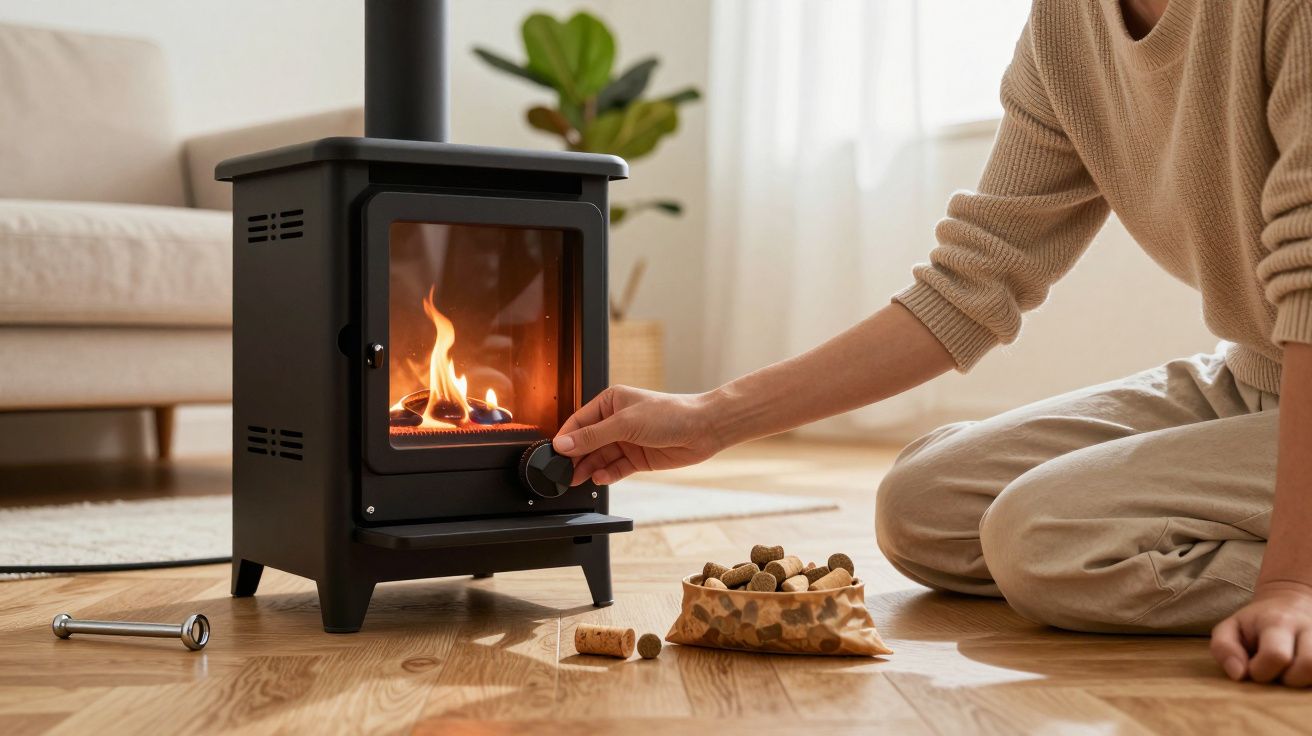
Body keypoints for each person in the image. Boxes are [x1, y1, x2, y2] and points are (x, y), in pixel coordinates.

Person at [550, 0, 1312, 687]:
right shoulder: (1066, 27)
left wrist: (1289, 587)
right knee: (925, 507)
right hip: (1256, 374)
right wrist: (709, 417)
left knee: (1043, 540)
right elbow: (970, 283)